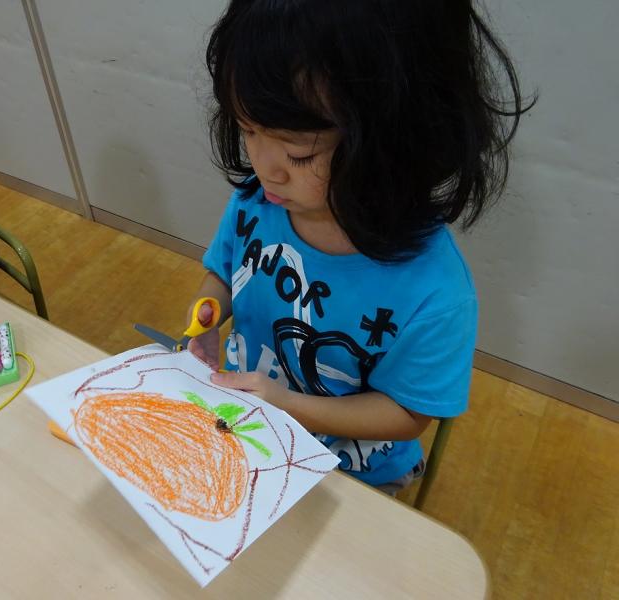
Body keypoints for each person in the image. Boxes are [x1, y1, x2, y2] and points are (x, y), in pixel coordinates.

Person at [187, 0, 534, 493]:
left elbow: (407, 414)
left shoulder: (433, 292)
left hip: (352, 473)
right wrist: (208, 311)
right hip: (253, 431)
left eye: (298, 153)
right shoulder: (257, 202)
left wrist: (291, 406)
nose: (265, 168)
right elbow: (225, 273)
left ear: (396, 140)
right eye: (248, 130)